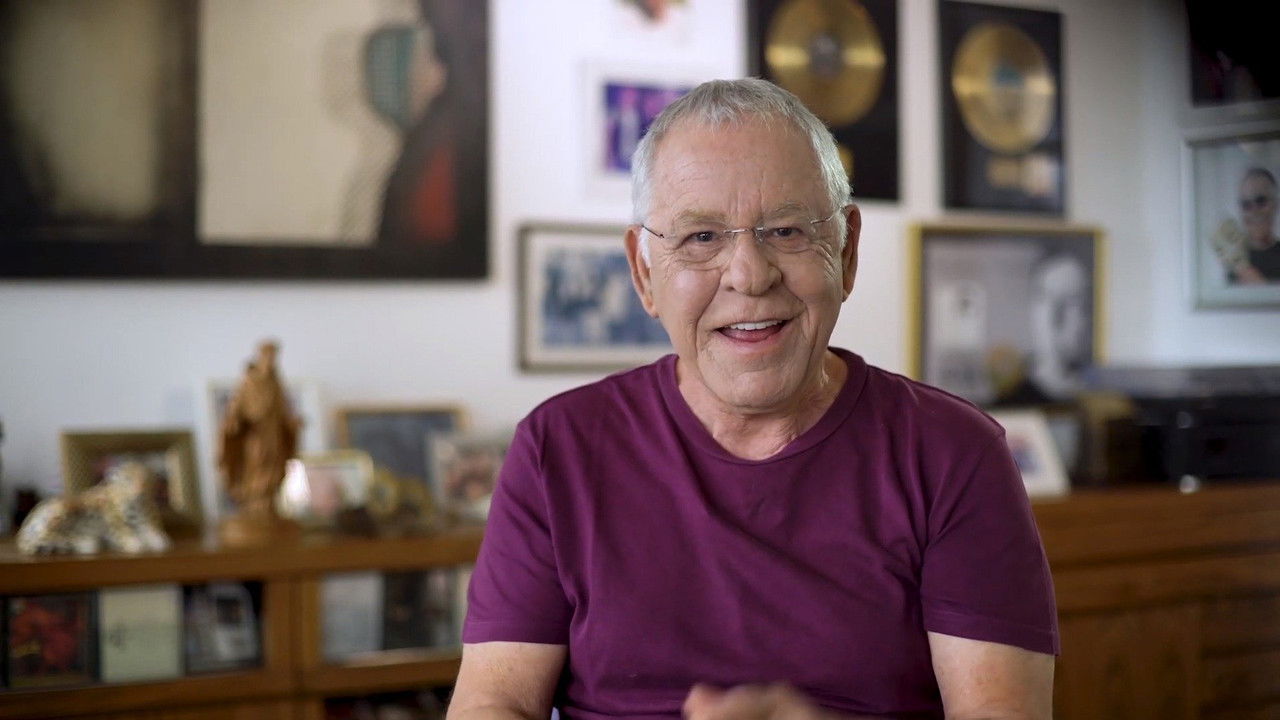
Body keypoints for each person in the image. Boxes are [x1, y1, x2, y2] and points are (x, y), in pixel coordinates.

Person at [450, 79, 1056, 720]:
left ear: (847, 252)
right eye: (701, 238)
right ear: (644, 272)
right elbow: (494, 702)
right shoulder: (559, 446)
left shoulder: (953, 453)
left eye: (786, 230)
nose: (749, 274)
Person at [1210, 167, 1280, 284]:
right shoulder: (1228, 260)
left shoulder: (1237, 263)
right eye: (1246, 204)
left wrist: (1242, 268)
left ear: (1276, 204)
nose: (1254, 211)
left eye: (1261, 201)